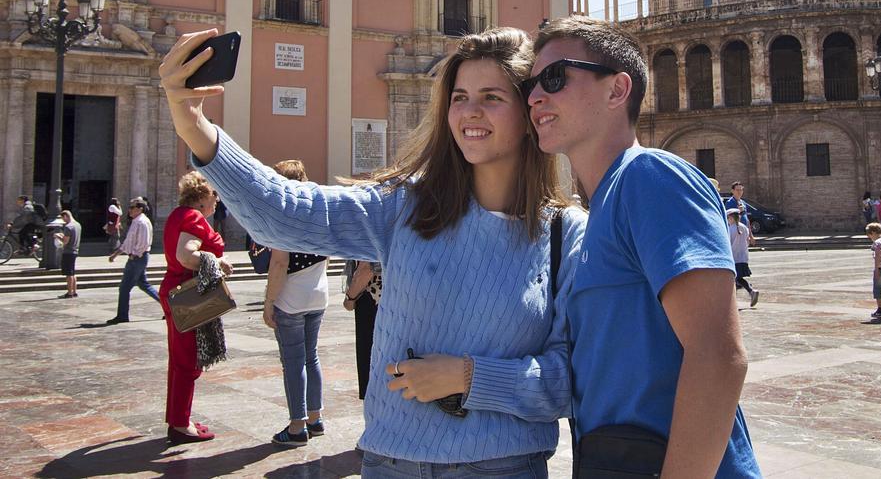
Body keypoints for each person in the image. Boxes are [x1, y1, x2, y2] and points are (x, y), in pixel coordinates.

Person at [161, 27, 586, 478]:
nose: (470, 111)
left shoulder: (563, 235)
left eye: (492, 97)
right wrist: (193, 124)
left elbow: (568, 380)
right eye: (459, 96)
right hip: (389, 463)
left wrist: (468, 377)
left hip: (503, 468)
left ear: (529, 113)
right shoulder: (404, 207)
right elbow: (284, 212)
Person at [526, 16, 759, 478]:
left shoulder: (649, 175)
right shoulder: (604, 206)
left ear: (617, 91)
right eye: (528, 86)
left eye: (554, 78)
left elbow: (717, 354)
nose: (534, 97)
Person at [160, 172, 233, 444]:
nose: (217, 199)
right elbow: (186, 255)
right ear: (203, 196)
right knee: (187, 362)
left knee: (179, 358)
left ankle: (179, 418)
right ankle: (180, 425)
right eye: (215, 194)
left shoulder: (178, 215)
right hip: (187, 295)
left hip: (176, 291)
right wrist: (217, 261)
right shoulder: (192, 217)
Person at [262, 159, 330, 447]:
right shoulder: (318, 214)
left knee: (293, 362)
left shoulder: (283, 217)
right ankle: (315, 419)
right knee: (311, 357)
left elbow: (279, 263)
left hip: (291, 299)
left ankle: (296, 427)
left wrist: (269, 302)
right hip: (318, 294)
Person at [106, 197, 160, 324]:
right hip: (137, 258)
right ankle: (169, 308)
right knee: (144, 285)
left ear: (140, 209)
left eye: (132, 207)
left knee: (124, 288)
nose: (129, 210)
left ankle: (122, 315)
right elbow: (128, 242)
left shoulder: (142, 222)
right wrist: (116, 254)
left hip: (137, 258)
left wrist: (134, 255)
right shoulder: (136, 221)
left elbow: (143, 243)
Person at [343, 260, 382, 399]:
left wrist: (350, 297)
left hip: (371, 299)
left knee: (370, 363)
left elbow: (366, 268)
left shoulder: (373, 237)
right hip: (389, 299)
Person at [727, 208, 759, 308]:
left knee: (736, 279)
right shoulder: (744, 227)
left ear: (731, 218)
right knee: (737, 279)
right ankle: (734, 299)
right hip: (743, 257)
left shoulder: (730, 229)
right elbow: (747, 241)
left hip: (733, 258)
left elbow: (727, 244)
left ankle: (751, 291)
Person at [54, 210, 81, 298]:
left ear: (66, 216)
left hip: (68, 252)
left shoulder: (68, 227)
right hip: (75, 250)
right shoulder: (77, 225)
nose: (63, 221)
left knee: (69, 274)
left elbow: (65, 242)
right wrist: (63, 235)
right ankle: (74, 291)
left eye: (63, 218)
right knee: (72, 272)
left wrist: (58, 236)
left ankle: (69, 293)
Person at [724, 181, 755, 246]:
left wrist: (751, 235)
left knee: (744, 253)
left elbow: (746, 219)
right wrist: (739, 211)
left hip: (744, 231)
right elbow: (729, 219)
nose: (739, 192)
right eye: (737, 190)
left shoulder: (743, 203)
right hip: (735, 232)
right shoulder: (729, 203)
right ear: (732, 191)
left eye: (741, 190)